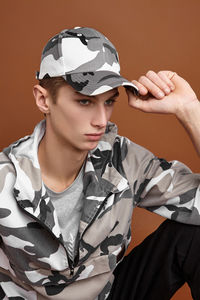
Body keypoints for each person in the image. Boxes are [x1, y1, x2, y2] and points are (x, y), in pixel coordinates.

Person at [0, 26, 199, 300]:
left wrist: (189, 110)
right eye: (85, 101)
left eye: (108, 102)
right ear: (43, 99)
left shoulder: (121, 158)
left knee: (195, 236)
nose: (101, 120)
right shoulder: (5, 178)